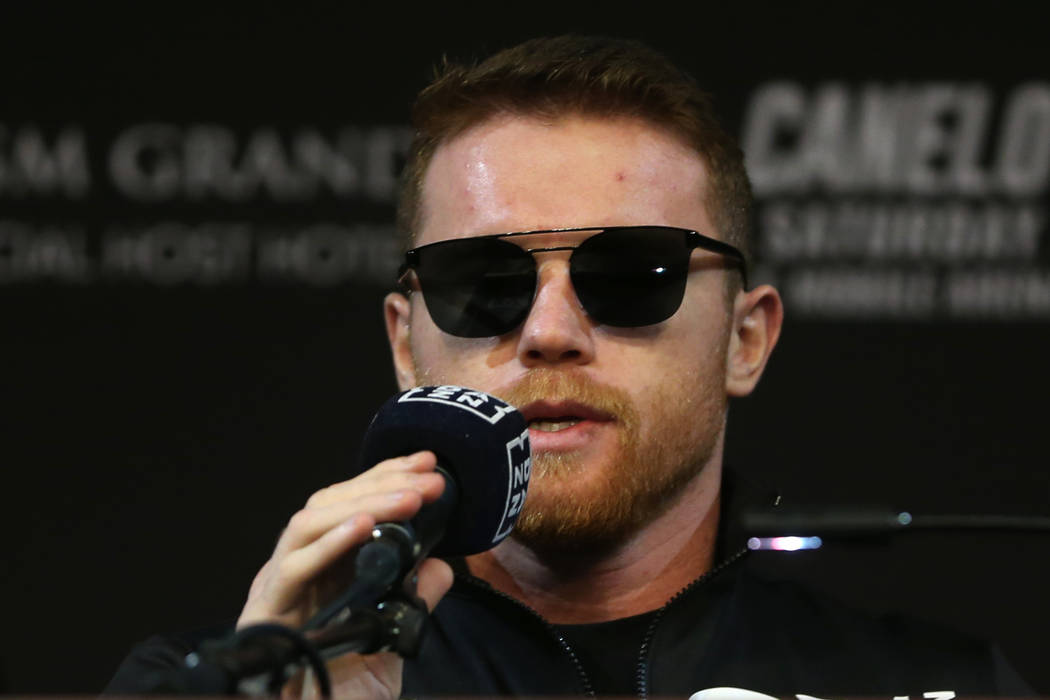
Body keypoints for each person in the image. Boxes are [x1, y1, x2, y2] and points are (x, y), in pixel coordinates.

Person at [106, 35, 1033, 698]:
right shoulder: (206, 688)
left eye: (630, 276)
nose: (551, 329)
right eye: (484, 281)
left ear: (745, 338)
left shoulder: (942, 688)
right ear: (404, 340)